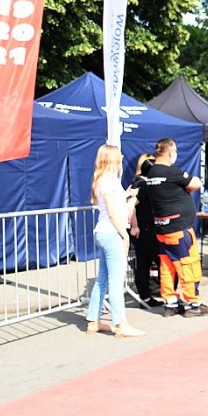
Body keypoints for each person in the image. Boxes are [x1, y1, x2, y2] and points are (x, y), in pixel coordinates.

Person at [145, 138, 208, 317]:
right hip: (179, 229)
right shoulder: (171, 172)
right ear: (169, 152)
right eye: (175, 151)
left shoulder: (151, 173)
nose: (176, 154)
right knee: (188, 265)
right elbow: (196, 183)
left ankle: (170, 304)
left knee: (167, 267)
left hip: (162, 229)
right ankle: (193, 304)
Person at [84, 144, 145, 338]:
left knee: (103, 278)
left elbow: (112, 207)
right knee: (116, 280)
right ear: (113, 159)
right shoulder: (108, 181)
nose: (122, 158)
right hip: (112, 233)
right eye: (119, 156)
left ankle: (93, 320)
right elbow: (112, 212)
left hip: (104, 232)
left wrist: (127, 196)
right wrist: (124, 235)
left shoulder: (104, 180)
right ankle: (120, 323)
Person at [128, 152, 162, 307]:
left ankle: (145, 297)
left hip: (141, 229)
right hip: (145, 228)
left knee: (142, 263)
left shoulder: (136, 183)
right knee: (160, 260)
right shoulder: (143, 185)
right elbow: (131, 206)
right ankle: (166, 293)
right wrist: (135, 225)